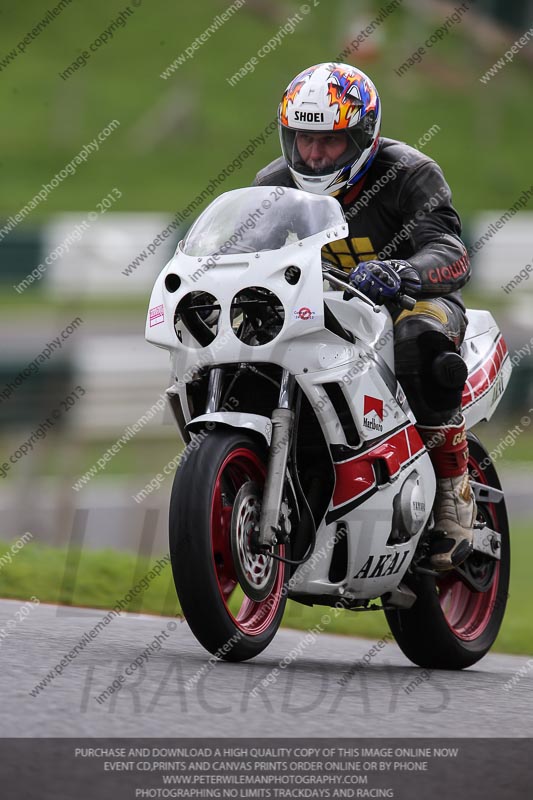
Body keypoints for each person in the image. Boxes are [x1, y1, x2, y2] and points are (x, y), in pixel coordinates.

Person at [253, 62, 475, 571]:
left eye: (329, 142)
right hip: (326, 310)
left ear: (362, 135)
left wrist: (404, 271)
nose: (312, 154)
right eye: (302, 138)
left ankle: (453, 490)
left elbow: (452, 251)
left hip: (412, 300)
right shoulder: (272, 183)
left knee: (419, 335)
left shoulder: (410, 173)